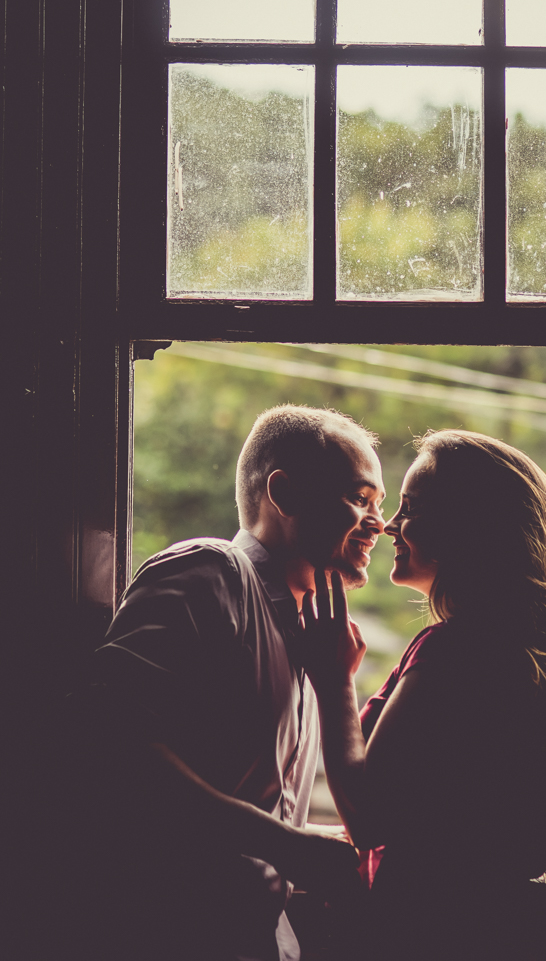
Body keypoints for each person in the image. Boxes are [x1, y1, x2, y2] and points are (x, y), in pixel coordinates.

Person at [63, 404, 386, 961]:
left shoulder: (311, 640)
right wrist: (286, 844)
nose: (378, 523)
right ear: (282, 495)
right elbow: (106, 744)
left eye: (379, 505)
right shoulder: (209, 574)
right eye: (361, 498)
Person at [301, 429, 546, 961]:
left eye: (411, 508)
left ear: (470, 530)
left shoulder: (453, 651)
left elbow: (371, 815)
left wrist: (334, 681)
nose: (391, 525)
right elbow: (437, 822)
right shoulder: (512, 654)